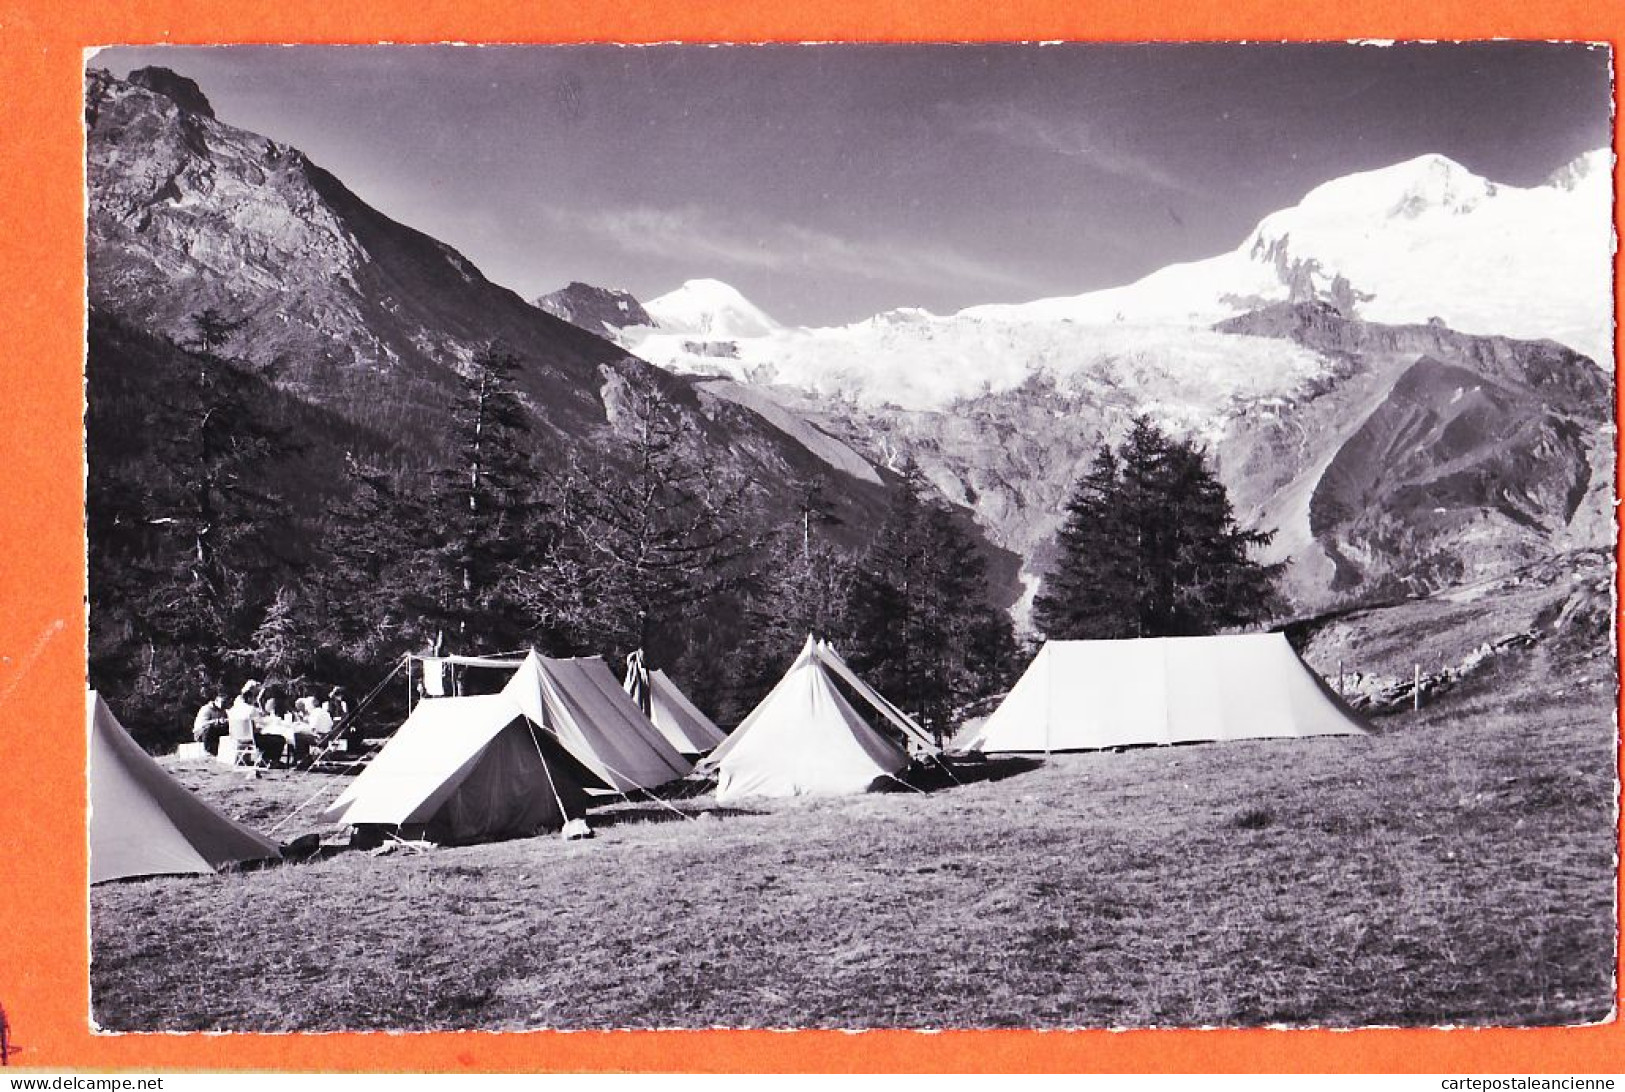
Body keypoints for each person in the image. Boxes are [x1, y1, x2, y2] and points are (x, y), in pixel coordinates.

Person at [192, 688, 231, 755]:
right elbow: (202, 724)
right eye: (223, 702)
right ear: (216, 701)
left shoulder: (223, 710)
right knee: (209, 728)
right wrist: (216, 721)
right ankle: (208, 751)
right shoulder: (206, 709)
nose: (224, 704)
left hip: (215, 732)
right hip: (200, 732)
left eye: (225, 702)